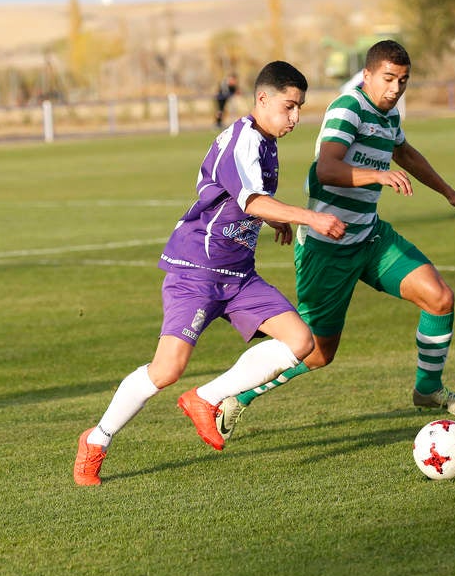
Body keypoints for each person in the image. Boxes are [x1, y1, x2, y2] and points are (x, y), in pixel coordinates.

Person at [73, 62, 346, 486]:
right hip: (196, 271)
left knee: (300, 341)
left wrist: (276, 219)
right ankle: (97, 439)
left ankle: (207, 398)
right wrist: (308, 217)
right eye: (289, 107)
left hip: (238, 275)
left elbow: (244, 200)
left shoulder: (265, 142)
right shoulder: (243, 140)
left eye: (300, 109)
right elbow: (252, 199)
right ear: (262, 99)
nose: (295, 118)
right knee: (166, 370)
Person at [215, 39, 455, 443]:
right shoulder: (349, 108)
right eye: (389, 78)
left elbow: (405, 153)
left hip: (369, 235)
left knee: (439, 298)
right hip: (327, 247)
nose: (396, 88)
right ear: (368, 75)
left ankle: (428, 389)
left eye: (404, 80)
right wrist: (376, 176)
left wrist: (449, 192)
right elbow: (326, 169)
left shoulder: (388, 112)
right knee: (317, 352)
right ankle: (237, 396)